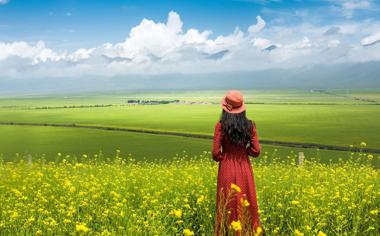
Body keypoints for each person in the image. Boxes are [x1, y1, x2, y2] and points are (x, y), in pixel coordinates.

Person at [212, 90, 263, 236]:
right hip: (244, 167)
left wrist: (225, 157)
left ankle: (226, 232)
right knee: (246, 200)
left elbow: (216, 154)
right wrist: (244, 153)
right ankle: (248, 231)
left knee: (227, 202)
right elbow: (256, 150)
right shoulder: (250, 125)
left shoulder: (220, 126)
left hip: (226, 168)